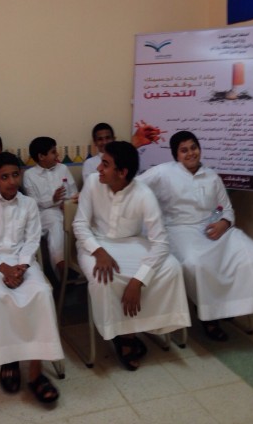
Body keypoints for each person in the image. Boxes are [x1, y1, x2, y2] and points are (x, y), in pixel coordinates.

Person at [138, 130, 253, 341]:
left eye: (193, 147)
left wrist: (224, 223)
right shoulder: (162, 172)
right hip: (178, 230)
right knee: (196, 264)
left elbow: (226, 209)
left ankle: (231, 307)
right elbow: (134, 186)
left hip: (213, 229)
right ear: (176, 155)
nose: (190, 153)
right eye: (184, 150)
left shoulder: (211, 176)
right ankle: (209, 317)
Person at [73, 141, 190, 371]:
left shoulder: (144, 194)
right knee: (103, 277)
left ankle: (141, 327)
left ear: (122, 172)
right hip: (94, 243)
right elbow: (80, 225)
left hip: (133, 243)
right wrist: (99, 252)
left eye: (105, 164)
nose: (99, 169)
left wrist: (138, 281)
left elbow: (161, 243)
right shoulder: (93, 183)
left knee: (171, 267)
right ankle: (123, 336)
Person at [0, 152, 63, 403]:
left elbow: (32, 241)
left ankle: (35, 372)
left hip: (23, 262)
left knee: (41, 293)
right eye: (4, 177)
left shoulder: (29, 204)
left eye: (15, 175)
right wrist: (4, 268)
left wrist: (21, 268)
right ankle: (9, 360)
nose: (12, 181)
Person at [23, 136, 78, 278]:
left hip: (66, 209)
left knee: (78, 221)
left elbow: (74, 192)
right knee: (55, 221)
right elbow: (33, 203)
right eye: (53, 152)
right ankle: (62, 267)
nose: (57, 155)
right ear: (41, 156)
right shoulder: (29, 175)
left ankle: (78, 266)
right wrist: (52, 200)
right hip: (43, 214)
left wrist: (67, 203)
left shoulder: (63, 168)